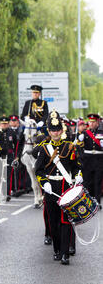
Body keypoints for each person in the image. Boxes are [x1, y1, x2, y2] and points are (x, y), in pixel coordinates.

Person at [35, 112, 82, 265]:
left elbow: (76, 167)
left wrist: (78, 175)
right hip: (50, 187)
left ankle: (64, 253)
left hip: (65, 186)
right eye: (52, 130)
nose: (55, 133)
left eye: (57, 130)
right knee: (53, 221)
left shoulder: (69, 147)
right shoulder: (44, 148)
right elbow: (38, 170)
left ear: (61, 131)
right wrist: (44, 183)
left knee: (65, 220)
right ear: (49, 131)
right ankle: (56, 249)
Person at [78, 113, 103, 208]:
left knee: (97, 181)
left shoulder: (101, 133)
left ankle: (97, 202)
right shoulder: (84, 133)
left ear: (97, 122)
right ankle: (87, 201)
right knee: (87, 181)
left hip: (98, 160)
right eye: (90, 122)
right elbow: (78, 145)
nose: (91, 124)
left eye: (93, 122)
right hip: (87, 160)